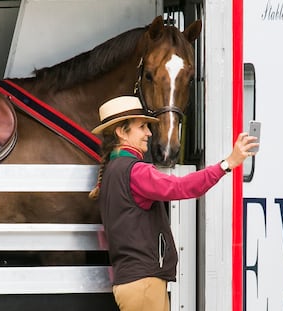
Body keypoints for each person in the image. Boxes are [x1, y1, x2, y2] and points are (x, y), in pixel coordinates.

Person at [88, 96, 259, 311]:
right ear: (121, 132)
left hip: (130, 282)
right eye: (142, 127)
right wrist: (227, 163)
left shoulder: (112, 171)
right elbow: (182, 187)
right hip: (144, 283)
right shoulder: (136, 171)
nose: (149, 134)